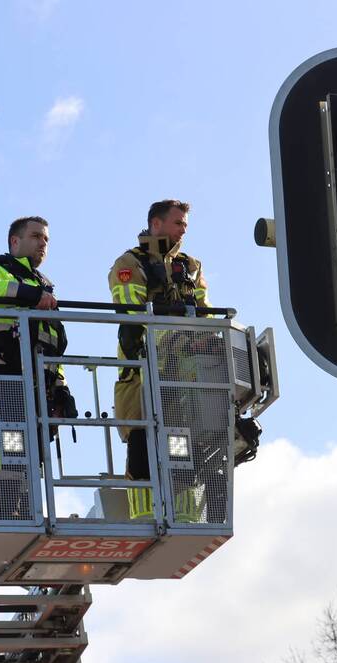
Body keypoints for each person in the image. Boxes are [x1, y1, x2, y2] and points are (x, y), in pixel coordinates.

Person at [108, 200, 212, 521]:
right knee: (141, 440)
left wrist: (206, 338)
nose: (183, 229)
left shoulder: (191, 266)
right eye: (178, 222)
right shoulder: (130, 263)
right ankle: (144, 514)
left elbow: (205, 312)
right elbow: (131, 317)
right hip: (141, 367)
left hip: (184, 372)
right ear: (156, 224)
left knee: (183, 442)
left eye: (185, 224)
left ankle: (184, 514)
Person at [0, 216, 76, 519]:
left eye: (46, 239)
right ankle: (5, 507)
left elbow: (54, 343)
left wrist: (61, 387)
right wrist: (31, 296)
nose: (43, 243)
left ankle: (22, 507)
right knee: (16, 438)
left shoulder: (45, 287)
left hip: (39, 379)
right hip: (4, 372)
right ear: (15, 242)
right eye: (36, 236)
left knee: (34, 445)